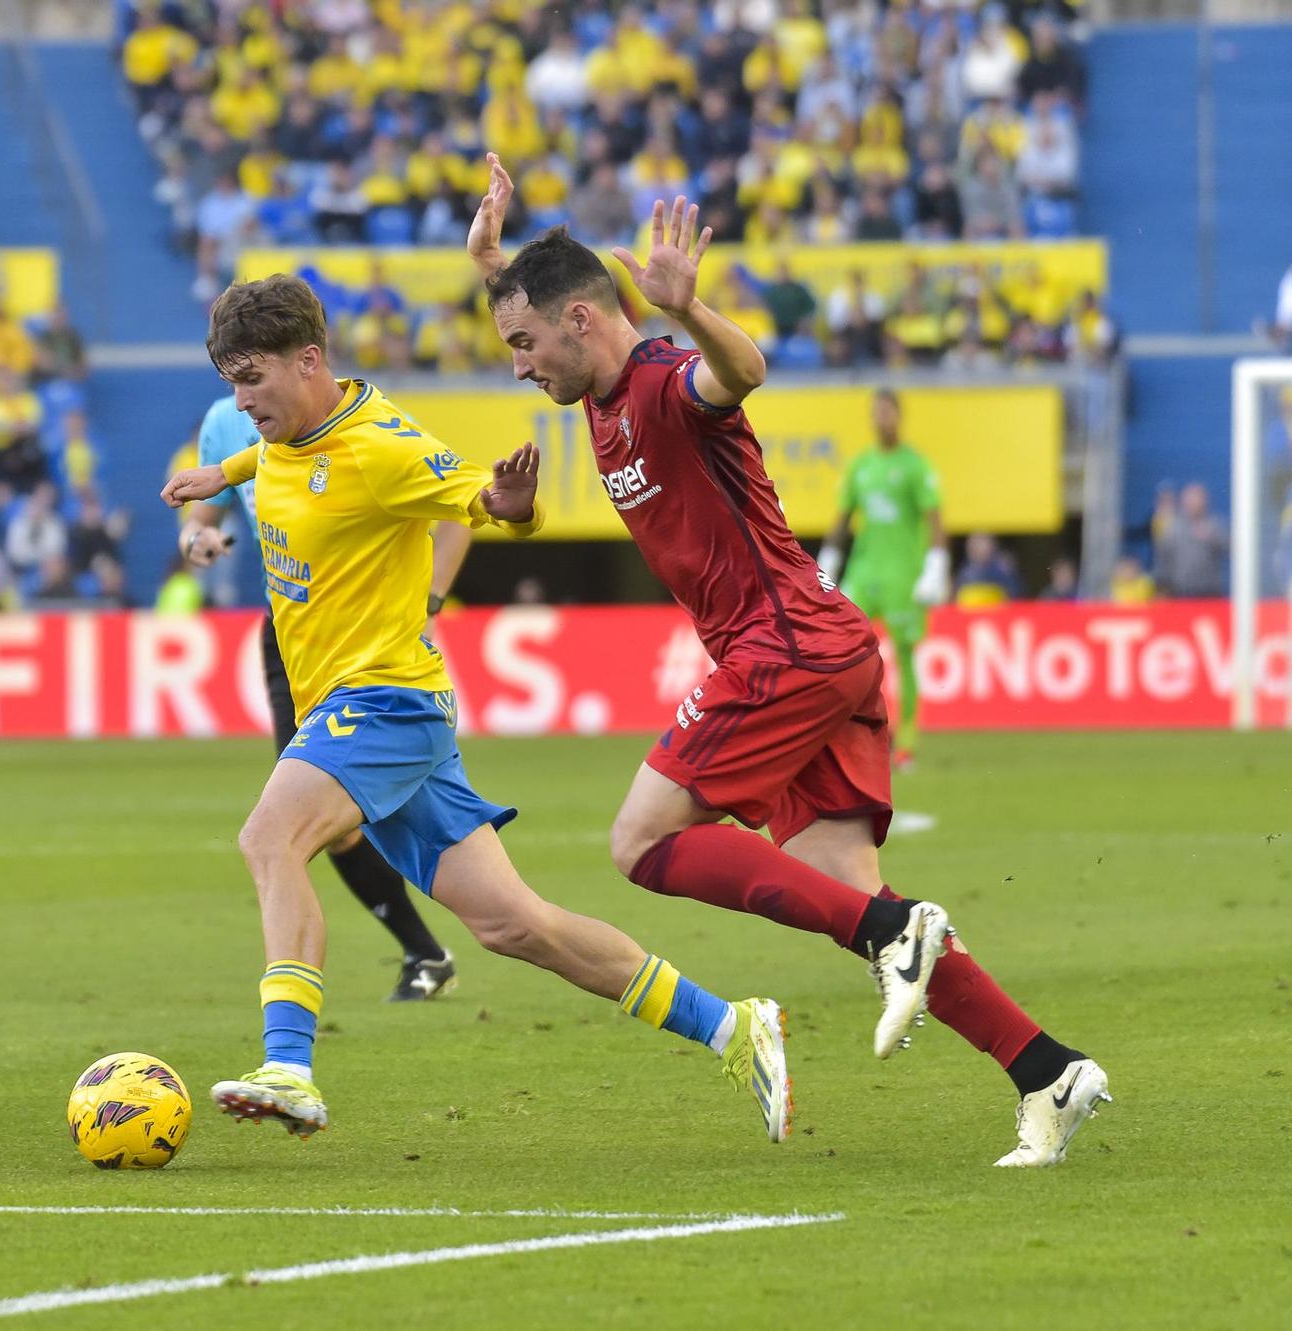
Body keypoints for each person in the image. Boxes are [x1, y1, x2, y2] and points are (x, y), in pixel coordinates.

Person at [467, 157, 1107, 1168]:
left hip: (786, 648)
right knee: (848, 899)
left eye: (520, 342)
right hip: (818, 649)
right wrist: (494, 265)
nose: (514, 363)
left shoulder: (662, 381)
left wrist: (694, 309)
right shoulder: (589, 382)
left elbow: (740, 373)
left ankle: (901, 928)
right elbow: (555, 291)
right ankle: (1047, 1070)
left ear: (583, 323)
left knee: (641, 839)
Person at [162, 274, 790, 1144]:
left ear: (310, 362)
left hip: (383, 701)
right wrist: (214, 471)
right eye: (232, 383)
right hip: (363, 707)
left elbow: (475, 496)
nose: (241, 401)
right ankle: (732, 1024)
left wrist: (513, 505)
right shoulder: (281, 436)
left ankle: (289, 1066)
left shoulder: (383, 445)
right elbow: (270, 463)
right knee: (513, 924)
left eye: (252, 380)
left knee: (270, 838)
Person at [178, 392, 472, 1001]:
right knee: (319, 828)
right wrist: (195, 541)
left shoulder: (362, 432)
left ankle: (300, 1042)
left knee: (295, 828)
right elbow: (203, 518)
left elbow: (458, 510)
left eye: (255, 369)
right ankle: (425, 952)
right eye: (235, 372)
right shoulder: (222, 425)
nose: (244, 388)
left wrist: (431, 603)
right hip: (291, 632)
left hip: (368, 639)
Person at [818, 390, 949, 770]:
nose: (881, 418)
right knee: (842, 646)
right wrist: (826, 565)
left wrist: (935, 567)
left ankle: (905, 741)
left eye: (888, 411)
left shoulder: (916, 466)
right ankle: (857, 731)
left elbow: (935, 520)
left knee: (906, 655)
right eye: (876, 412)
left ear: (899, 416)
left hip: (904, 577)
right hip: (865, 571)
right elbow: (842, 520)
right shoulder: (861, 466)